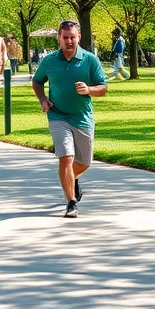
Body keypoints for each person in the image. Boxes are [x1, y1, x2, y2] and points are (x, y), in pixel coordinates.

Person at [32, 20, 108, 218]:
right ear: (59, 38)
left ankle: (71, 178)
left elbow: (103, 87)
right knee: (66, 157)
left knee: (85, 162)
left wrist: (89, 89)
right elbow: (37, 81)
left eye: (72, 37)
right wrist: (43, 100)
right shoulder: (49, 61)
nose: (69, 41)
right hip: (58, 115)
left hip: (82, 117)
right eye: (65, 37)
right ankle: (71, 202)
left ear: (79, 37)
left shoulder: (90, 60)